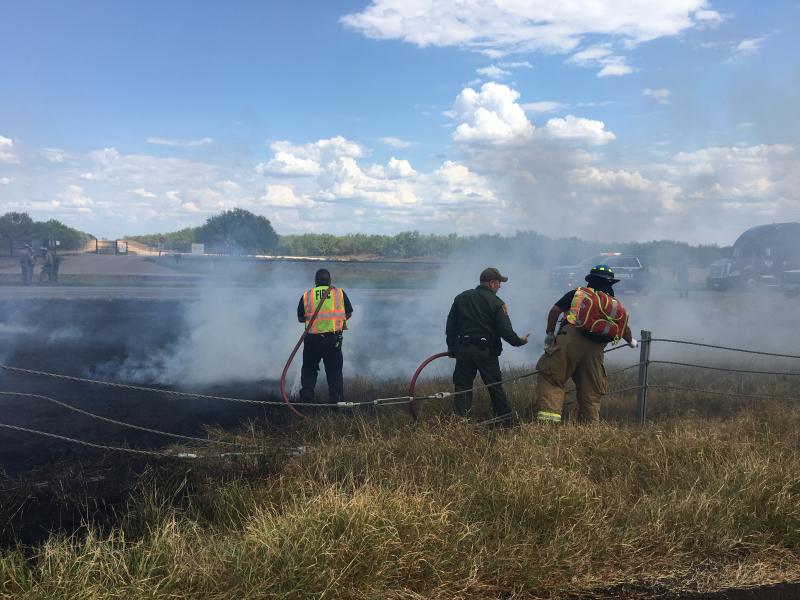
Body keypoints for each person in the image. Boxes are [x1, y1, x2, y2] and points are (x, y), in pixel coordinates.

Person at [533, 265, 636, 424]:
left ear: (590, 280)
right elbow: (624, 329)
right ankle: (589, 430)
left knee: (552, 379)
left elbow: (555, 311)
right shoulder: (613, 305)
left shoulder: (578, 294)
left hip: (569, 342)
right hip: (595, 351)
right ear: (610, 284)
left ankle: (547, 426)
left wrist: (549, 333)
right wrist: (632, 342)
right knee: (591, 393)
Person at [446, 267, 530, 425]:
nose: (500, 286)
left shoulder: (461, 297)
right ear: (492, 283)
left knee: (462, 387)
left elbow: (450, 327)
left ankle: (459, 423)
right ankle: (505, 422)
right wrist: (520, 341)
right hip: (486, 351)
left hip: (464, 349)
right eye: (499, 283)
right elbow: (505, 331)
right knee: (494, 386)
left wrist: (452, 348)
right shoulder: (497, 303)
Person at [297, 269, 353, 405]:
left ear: (316, 281)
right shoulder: (339, 293)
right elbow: (349, 313)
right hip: (332, 340)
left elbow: (300, 318)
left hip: (312, 340)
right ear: (329, 281)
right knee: (334, 373)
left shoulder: (307, 295)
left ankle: (307, 396)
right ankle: (337, 403)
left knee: (309, 368)